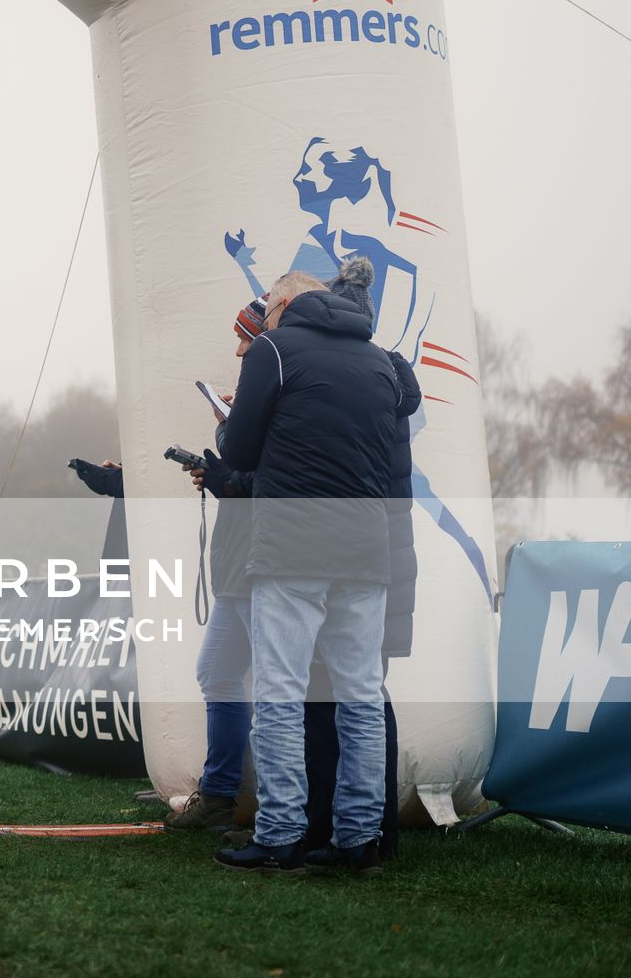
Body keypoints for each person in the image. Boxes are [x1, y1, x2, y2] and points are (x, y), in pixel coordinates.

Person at [210, 271, 405, 875]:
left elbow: (238, 452)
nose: (264, 318)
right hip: (367, 549)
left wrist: (232, 422)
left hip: (292, 546)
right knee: (361, 700)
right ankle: (357, 840)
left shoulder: (274, 349)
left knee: (280, 695)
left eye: (268, 307)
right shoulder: (381, 361)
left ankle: (281, 836)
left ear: (289, 303)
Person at [303, 257, 422, 860]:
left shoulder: (359, 378)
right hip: (384, 547)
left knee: (345, 695)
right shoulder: (389, 375)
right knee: (364, 693)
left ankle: (343, 828)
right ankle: (369, 828)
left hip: (359, 549)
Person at [166, 297, 266, 833]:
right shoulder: (264, 388)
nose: (238, 348)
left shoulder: (281, 386)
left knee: (276, 688)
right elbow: (247, 482)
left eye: (245, 338)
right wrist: (220, 469)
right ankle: (222, 796)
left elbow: (263, 481)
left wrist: (227, 454)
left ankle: (278, 811)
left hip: (261, 562)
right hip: (237, 563)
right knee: (217, 672)